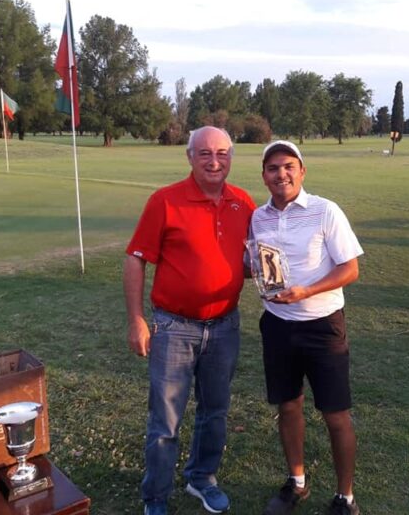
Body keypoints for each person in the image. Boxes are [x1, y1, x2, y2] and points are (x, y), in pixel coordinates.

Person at [123, 126, 256, 515]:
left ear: (231, 157)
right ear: (190, 157)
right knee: (166, 419)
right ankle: (156, 497)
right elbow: (136, 259)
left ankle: (201, 478)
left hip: (225, 325)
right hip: (174, 327)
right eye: (205, 154)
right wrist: (136, 320)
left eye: (222, 153)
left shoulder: (243, 202)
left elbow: (250, 260)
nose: (214, 162)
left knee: (215, 411)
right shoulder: (165, 201)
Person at [251, 140, 364, 515]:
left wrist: (307, 291)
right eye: (272, 168)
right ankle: (296, 482)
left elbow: (350, 268)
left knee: (335, 413)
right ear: (264, 176)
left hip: (322, 327)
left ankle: (345, 497)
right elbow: (260, 264)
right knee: (288, 406)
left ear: (302, 171)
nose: (280, 174)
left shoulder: (325, 210)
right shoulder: (258, 217)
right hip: (277, 326)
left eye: (288, 166)